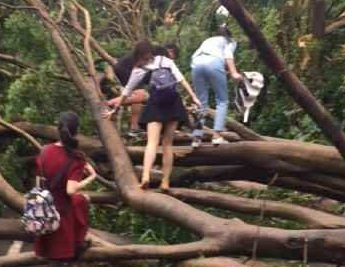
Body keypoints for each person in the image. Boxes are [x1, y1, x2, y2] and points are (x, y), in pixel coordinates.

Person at [102, 38, 200, 190]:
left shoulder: (139, 68)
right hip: (174, 104)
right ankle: (165, 182)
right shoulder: (164, 60)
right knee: (167, 144)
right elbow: (181, 79)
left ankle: (146, 176)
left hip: (157, 104)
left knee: (152, 143)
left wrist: (114, 110)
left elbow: (127, 92)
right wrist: (193, 96)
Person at [34, 111, 97, 267]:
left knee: (53, 264)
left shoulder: (43, 152)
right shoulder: (76, 157)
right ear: (76, 131)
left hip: (45, 213)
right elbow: (71, 191)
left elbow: (38, 185)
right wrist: (91, 178)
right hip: (61, 216)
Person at [108, 42, 181, 137]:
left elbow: (151, 77)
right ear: (170, 51)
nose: (171, 60)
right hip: (127, 68)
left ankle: (134, 128)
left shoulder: (153, 52)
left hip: (125, 67)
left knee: (138, 95)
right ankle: (109, 103)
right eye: (172, 58)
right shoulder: (163, 52)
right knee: (140, 95)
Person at [190, 27, 243, 147]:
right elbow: (228, 55)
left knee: (201, 102)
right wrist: (234, 72)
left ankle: (196, 138)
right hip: (214, 61)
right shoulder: (229, 41)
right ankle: (217, 136)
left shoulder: (209, 40)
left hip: (196, 62)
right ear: (228, 36)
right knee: (222, 101)